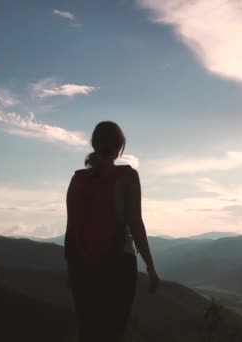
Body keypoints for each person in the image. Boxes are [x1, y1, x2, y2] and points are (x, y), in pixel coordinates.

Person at [64, 121, 160, 342]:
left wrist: (71, 268)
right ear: (119, 148)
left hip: (82, 266)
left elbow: (72, 227)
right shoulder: (127, 176)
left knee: (87, 332)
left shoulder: (77, 180)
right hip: (118, 264)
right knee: (112, 332)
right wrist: (151, 267)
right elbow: (135, 224)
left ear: (94, 144)